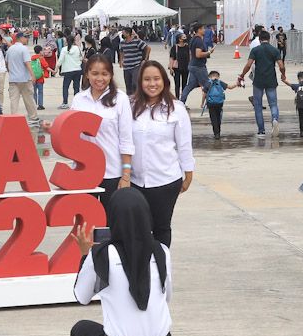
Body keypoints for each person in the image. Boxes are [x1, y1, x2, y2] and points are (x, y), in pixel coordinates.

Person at [69, 189, 183, 336]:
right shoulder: (161, 251)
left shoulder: (102, 255)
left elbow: (81, 297)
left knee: (80, 331)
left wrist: (85, 254)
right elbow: (166, 296)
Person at [130, 61, 195, 247]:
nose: (152, 84)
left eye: (156, 79)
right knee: (137, 229)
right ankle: (140, 269)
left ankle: (160, 270)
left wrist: (188, 174)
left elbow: (184, 145)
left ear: (164, 81)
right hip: (135, 181)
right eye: (147, 79)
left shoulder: (176, 109)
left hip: (165, 181)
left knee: (161, 228)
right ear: (140, 82)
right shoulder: (130, 106)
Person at [71, 54, 134, 207]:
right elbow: (70, 132)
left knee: (109, 225)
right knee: (86, 224)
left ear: (111, 75)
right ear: (87, 74)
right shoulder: (79, 99)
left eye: (105, 74)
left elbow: (126, 139)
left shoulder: (120, 99)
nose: (100, 78)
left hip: (112, 173)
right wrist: (52, 129)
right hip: (83, 172)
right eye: (95, 73)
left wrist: (126, 175)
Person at [238, 29, 284, 138]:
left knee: (258, 105)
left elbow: (249, 65)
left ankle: (261, 131)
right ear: (269, 39)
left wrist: (242, 75)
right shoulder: (274, 50)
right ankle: (274, 119)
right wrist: (283, 74)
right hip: (271, 80)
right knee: (273, 104)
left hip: (258, 81)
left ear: (259, 39)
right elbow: (281, 66)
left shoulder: (255, 50)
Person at [5, 33, 39, 123]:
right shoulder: (24, 49)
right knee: (28, 99)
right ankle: (33, 117)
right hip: (25, 79)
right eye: (26, 37)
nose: (27, 39)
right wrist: (33, 75)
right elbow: (27, 63)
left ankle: (14, 118)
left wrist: (11, 72)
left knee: (14, 100)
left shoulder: (10, 49)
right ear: (20, 38)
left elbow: (7, 63)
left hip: (13, 79)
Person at [179, 22, 213, 103]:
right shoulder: (198, 41)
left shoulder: (193, 39)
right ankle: (210, 102)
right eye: (203, 28)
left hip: (193, 65)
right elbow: (198, 54)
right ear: (199, 30)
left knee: (190, 85)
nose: (204, 30)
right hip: (199, 66)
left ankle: (181, 101)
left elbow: (191, 54)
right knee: (208, 85)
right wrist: (209, 52)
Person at [201, 70, 238, 139]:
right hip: (219, 103)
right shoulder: (220, 82)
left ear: (209, 77)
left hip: (211, 103)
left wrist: (202, 103)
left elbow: (204, 94)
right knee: (218, 117)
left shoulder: (208, 83)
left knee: (213, 118)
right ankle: (218, 132)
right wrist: (237, 83)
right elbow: (230, 87)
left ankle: (216, 133)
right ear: (218, 76)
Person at [119, 28, 150, 94]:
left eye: (123, 33)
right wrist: (121, 61)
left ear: (128, 33)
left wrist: (145, 59)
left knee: (135, 84)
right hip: (126, 66)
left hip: (136, 65)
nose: (122, 34)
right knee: (128, 85)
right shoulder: (122, 43)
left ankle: (137, 97)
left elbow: (148, 48)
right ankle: (129, 100)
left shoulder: (137, 41)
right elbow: (121, 52)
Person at [57, 34, 84, 108]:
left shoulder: (64, 49)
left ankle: (65, 102)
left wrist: (56, 69)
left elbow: (60, 60)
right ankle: (77, 103)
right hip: (77, 69)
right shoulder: (78, 48)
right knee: (76, 87)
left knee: (65, 87)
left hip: (67, 70)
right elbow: (81, 58)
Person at [30, 44, 53, 110]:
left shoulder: (32, 58)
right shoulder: (41, 58)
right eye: (42, 50)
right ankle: (40, 105)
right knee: (40, 92)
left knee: (34, 92)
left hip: (33, 78)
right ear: (40, 51)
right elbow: (47, 67)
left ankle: (34, 104)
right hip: (40, 78)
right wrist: (53, 71)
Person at [169, 32, 190, 97]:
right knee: (177, 85)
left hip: (186, 68)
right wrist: (171, 68)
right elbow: (171, 58)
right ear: (179, 39)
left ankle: (183, 100)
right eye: (184, 37)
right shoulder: (174, 47)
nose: (185, 38)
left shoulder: (187, 47)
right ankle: (177, 99)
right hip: (177, 68)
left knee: (184, 85)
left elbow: (190, 56)